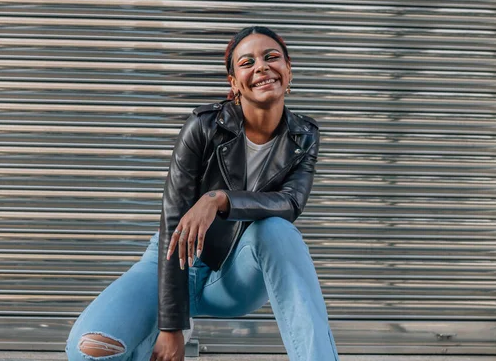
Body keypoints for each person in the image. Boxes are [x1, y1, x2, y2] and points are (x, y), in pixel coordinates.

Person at [66, 26, 340, 361]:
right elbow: (172, 221)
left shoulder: (304, 136)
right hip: (170, 261)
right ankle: (151, 338)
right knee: (92, 351)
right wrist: (171, 327)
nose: (262, 67)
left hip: (234, 274)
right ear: (234, 83)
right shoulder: (203, 125)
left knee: (277, 230)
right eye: (247, 62)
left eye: (272, 57)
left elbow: (290, 202)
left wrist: (219, 199)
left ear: (288, 69)